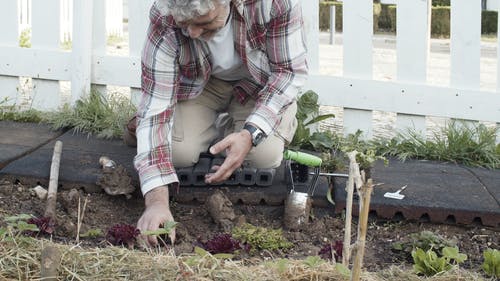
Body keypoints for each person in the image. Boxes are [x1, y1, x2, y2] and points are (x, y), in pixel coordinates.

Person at [130, 0, 308, 247]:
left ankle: (252, 125)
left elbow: (287, 73)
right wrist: (157, 202)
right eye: (185, 24)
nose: (192, 33)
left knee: (263, 157)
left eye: (203, 23)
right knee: (178, 153)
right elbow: (155, 108)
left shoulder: (273, 4)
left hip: (259, 83)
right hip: (202, 83)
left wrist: (250, 133)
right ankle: (220, 129)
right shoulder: (164, 12)